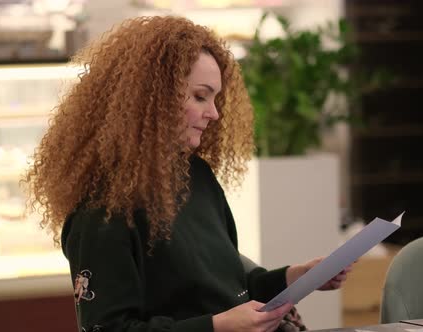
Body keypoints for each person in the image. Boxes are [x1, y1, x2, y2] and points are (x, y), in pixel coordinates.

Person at [24, 15, 351, 332]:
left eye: (215, 98)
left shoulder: (197, 175)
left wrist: (297, 277)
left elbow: (228, 286)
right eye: (199, 96)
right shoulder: (102, 210)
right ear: (151, 98)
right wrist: (217, 327)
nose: (214, 113)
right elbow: (110, 326)